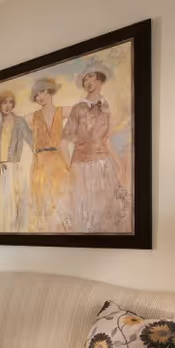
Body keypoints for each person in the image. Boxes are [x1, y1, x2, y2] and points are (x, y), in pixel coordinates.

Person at [62, 63, 130, 233]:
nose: (88, 81)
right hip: (82, 166)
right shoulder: (78, 108)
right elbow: (63, 142)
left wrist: (119, 165)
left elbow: (106, 140)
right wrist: (71, 168)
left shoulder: (105, 108)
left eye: (91, 76)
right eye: (85, 79)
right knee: (84, 214)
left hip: (103, 165)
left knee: (104, 214)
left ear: (100, 78)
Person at [26, 78, 72, 232]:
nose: (39, 96)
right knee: (42, 204)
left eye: (42, 91)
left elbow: (85, 111)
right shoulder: (31, 117)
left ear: (50, 90)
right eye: (36, 94)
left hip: (57, 163)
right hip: (39, 163)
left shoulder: (63, 111)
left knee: (61, 202)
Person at [0, 90, 31, 232]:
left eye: (10, 102)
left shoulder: (19, 122)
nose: (7, 106)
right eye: (4, 102)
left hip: (13, 167)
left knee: (12, 206)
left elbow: (31, 140)